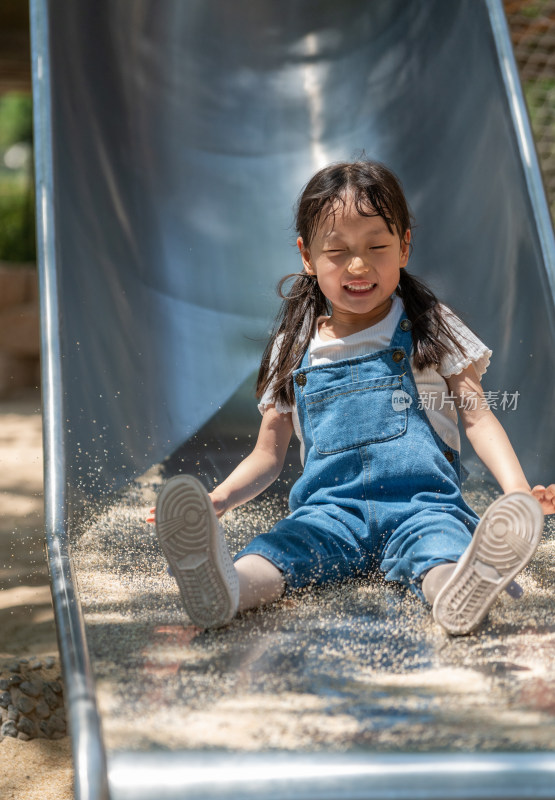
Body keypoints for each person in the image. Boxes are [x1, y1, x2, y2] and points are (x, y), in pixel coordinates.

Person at [148, 159, 555, 636]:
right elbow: (268, 454)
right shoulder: (294, 348)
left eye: (376, 247)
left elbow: (478, 417)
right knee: (280, 552)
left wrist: (516, 493)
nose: (358, 265)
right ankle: (226, 587)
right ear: (307, 255)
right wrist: (219, 498)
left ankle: (458, 593)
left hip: (423, 505)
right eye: (337, 251)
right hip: (329, 511)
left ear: (404, 246)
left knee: (441, 551)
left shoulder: (429, 327)